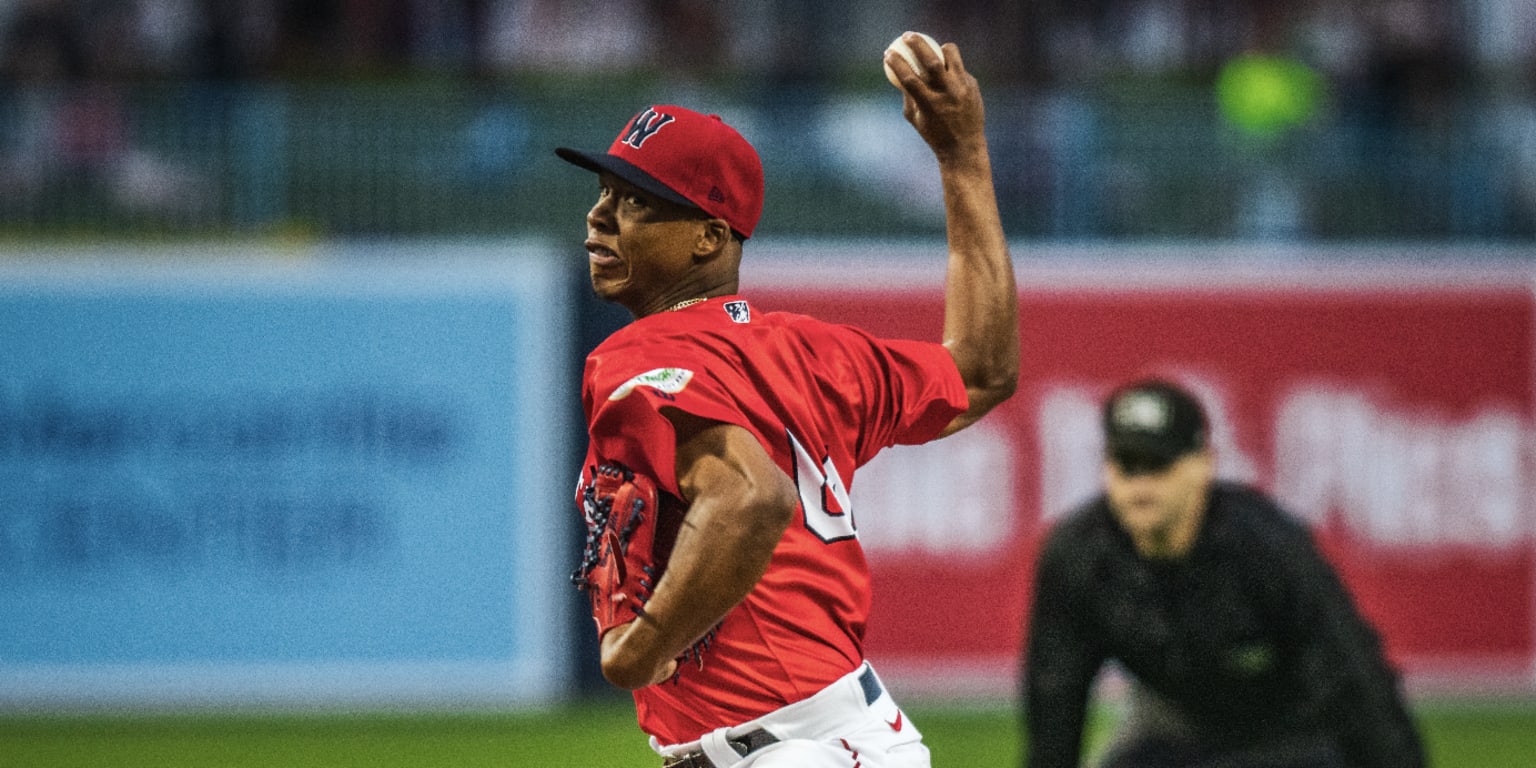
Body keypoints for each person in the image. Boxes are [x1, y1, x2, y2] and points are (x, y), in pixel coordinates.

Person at [556, 34, 1018, 768]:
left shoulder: (635, 358)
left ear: (710, 238)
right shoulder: (812, 353)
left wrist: (640, 649)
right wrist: (962, 158)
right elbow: (984, 369)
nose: (599, 218)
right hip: (848, 733)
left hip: (786, 750)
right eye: (605, 193)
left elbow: (751, 499)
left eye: (636, 204)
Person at [1022, 379, 1426, 768]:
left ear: (1203, 466)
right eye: (1127, 465)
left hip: (1289, 737)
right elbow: (1056, 703)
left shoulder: (1268, 549)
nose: (1141, 484)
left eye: (1159, 464)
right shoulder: (1079, 557)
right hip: (1173, 736)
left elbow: (1357, 686)